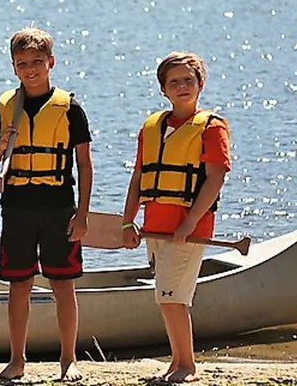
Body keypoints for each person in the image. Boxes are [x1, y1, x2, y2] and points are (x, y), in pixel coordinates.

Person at [0, 27, 93, 381]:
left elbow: (84, 164)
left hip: (59, 207)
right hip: (17, 207)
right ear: (14, 67)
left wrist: (82, 214)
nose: (30, 69)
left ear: (51, 62)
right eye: (22, 63)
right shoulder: (7, 106)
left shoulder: (70, 108)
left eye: (36, 62)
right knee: (20, 285)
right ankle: (17, 360)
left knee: (63, 285)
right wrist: (2, 144)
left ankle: (68, 359)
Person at [120, 51, 227, 384]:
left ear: (200, 84)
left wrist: (189, 222)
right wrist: (128, 222)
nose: (182, 86)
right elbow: (139, 177)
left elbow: (215, 178)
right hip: (155, 227)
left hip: (187, 229)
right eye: (174, 82)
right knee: (166, 297)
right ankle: (177, 361)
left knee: (173, 297)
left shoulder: (211, 127)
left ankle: (187, 366)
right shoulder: (152, 127)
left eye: (188, 80)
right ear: (164, 89)